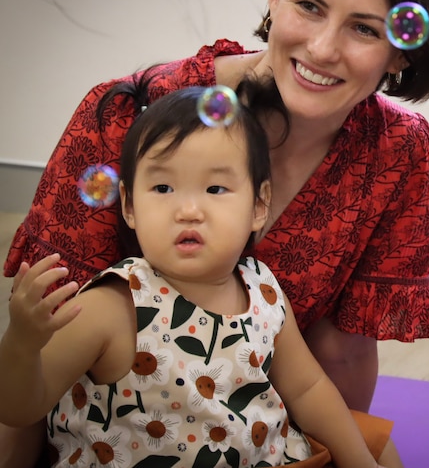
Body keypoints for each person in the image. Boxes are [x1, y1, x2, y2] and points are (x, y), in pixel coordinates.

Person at [2, 0, 429, 465]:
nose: (321, 48)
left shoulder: (401, 151)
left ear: (400, 54)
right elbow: (44, 346)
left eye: (364, 29)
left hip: (254, 431)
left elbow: (339, 355)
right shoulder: (130, 115)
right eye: (308, 6)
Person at [0, 85, 403, 468]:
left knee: (377, 444)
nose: (189, 210)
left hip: (268, 455)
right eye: (162, 187)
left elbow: (307, 389)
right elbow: (19, 408)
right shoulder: (113, 304)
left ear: (258, 207)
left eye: (214, 188)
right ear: (129, 206)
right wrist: (22, 343)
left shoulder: (262, 289)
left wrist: (359, 461)